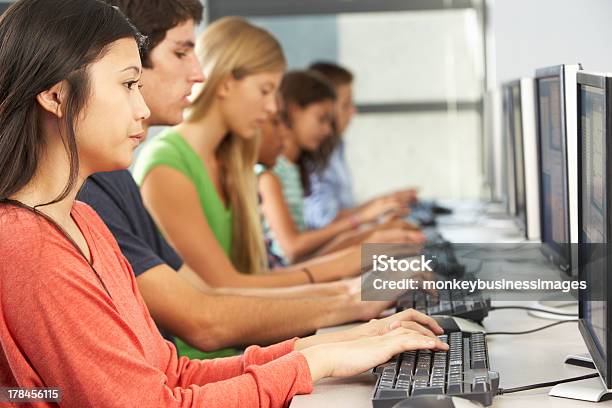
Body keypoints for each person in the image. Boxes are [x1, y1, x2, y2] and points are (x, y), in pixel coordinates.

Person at [0, 3, 448, 405]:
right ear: (56, 95)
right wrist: (320, 358)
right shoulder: (28, 246)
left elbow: (174, 373)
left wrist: (331, 348)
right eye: (129, 85)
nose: (141, 110)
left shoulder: (85, 219)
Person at [77, 0, 407, 361]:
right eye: (182, 52)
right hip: (207, 364)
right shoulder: (145, 172)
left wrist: (349, 300)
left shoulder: (119, 178)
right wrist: (349, 292)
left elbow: (209, 294)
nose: (198, 73)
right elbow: (209, 309)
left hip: (216, 362)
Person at [258, 70, 425, 265]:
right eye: (321, 119)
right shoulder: (269, 177)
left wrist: (373, 232)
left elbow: (308, 254)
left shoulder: (293, 170)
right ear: (294, 111)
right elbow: (294, 250)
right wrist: (361, 221)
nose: (328, 130)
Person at [304, 61, 419, 229]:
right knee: (419, 253)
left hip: (347, 244)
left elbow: (341, 216)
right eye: (346, 105)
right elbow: (323, 224)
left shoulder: (337, 148)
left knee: (419, 249)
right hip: (338, 249)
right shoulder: (307, 158)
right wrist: (372, 218)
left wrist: (382, 206)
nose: (353, 111)